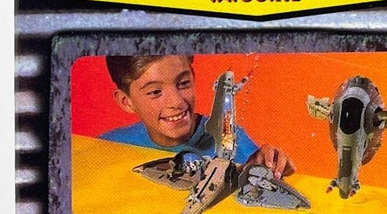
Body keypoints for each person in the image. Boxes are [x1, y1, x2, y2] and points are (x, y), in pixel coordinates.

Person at [102, 54, 295, 177]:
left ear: (193, 76)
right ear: (126, 101)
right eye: (155, 92)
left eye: (183, 83)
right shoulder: (108, 147)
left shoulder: (233, 138)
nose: (176, 102)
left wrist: (272, 165)